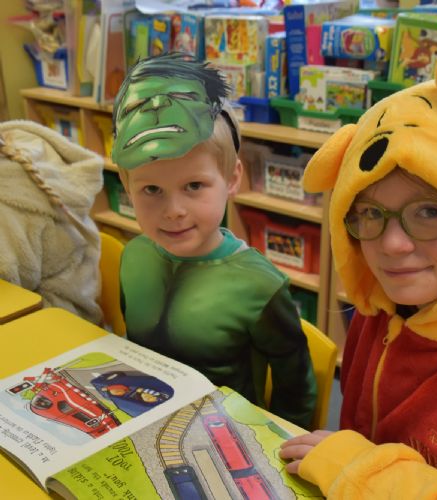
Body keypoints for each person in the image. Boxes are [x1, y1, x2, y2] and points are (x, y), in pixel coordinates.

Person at [279, 42, 437, 497]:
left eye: (429, 212)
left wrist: (362, 474)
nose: (392, 246)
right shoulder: (380, 310)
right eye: (370, 213)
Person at [111, 53, 317, 428]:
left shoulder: (260, 285)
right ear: (127, 187)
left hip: (226, 435)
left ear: (232, 179)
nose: (173, 211)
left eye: (194, 186)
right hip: (143, 422)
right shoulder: (133, 256)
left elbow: (296, 391)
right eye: (152, 189)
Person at [0, 120, 103, 324]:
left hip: (61, 320)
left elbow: (10, 286)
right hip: (67, 301)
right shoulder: (20, 141)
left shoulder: (8, 204)